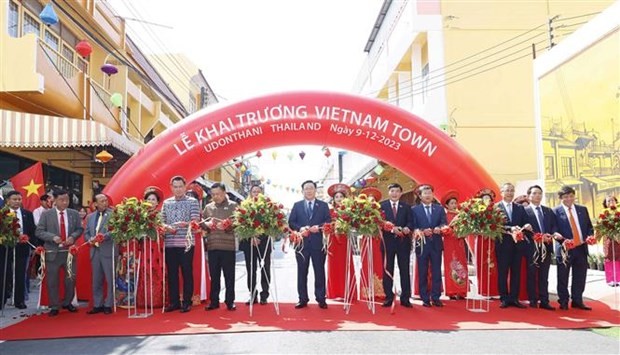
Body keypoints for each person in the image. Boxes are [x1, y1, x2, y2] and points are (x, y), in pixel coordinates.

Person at [35, 189, 84, 316]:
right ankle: (54, 305)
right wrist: (52, 237)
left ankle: (68, 302)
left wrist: (73, 237)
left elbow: (79, 229)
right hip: (52, 252)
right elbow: (39, 231)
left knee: (70, 279)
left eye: (67, 200)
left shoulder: (73, 213)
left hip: (69, 252)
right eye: (62, 200)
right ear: (54, 200)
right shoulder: (47, 214)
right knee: (52, 280)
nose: (65, 202)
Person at [288, 180, 331, 309]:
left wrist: (319, 227)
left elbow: (328, 222)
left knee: (319, 272)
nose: (309, 191)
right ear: (302, 191)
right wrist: (301, 228)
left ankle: (321, 298)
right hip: (302, 245)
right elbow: (291, 222)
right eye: (306, 189)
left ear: (315, 190)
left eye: (311, 188)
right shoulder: (297, 205)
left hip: (318, 244)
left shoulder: (323, 205)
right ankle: (302, 299)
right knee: (302, 272)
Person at [161, 176, 200, 313]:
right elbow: (161, 221)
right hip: (170, 243)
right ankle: (174, 302)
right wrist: (167, 227)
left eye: (180, 186)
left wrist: (186, 224)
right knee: (172, 273)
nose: (178, 189)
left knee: (186, 272)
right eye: (175, 187)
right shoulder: (166, 203)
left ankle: (187, 302)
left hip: (186, 243)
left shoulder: (193, 202)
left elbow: (196, 222)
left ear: (185, 187)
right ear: (171, 187)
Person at [553, 185, 593, 310]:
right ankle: (563, 301)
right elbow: (553, 229)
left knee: (580, 275)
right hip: (565, 249)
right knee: (563, 276)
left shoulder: (582, 209)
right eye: (565, 197)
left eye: (571, 196)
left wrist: (590, 236)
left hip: (581, 247)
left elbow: (589, 227)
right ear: (560, 198)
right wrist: (557, 236)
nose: (569, 199)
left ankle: (577, 300)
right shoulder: (555, 211)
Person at [203, 183, 238, 311]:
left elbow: (238, 223)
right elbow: (202, 223)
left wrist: (227, 226)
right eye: (213, 194)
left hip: (228, 247)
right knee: (214, 276)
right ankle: (214, 301)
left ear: (224, 192)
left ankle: (230, 301)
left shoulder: (233, 206)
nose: (216, 197)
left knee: (229, 275)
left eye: (218, 194)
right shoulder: (208, 207)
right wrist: (207, 224)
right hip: (212, 246)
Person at [411, 185, 447, 307]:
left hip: (436, 244)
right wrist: (421, 231)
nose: (428, 195)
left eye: (430, 193)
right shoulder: (414, 210)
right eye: (425, 193)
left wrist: (439, 228)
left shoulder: (440, 209)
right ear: (420, 196)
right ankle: (425, 297)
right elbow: (413, 226)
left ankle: (436, 297)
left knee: (437, 271)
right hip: (422, 245)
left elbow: (444, 223)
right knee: (423, 271)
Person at [523, 185, 557, 310]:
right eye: (535, 193)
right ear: (529, 196)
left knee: (544, 275)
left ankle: (544, 300)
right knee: (531, 274)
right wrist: (536, 236)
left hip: (546, 247)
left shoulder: (548, 211)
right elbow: (523, 229)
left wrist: (551, 234)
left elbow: (554, 226)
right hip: (532, 248)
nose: (538, 196)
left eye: (540, 193)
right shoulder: (524, 210)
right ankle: (532, 299)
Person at [495, 182, 529, 309]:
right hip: (503, 245)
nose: (509, 193)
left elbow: (526, 222)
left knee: (516, 272)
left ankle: (514, 298)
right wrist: (510, 228)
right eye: (507, 190)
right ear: (501, 192)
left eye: (511, 190)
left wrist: (525, 227)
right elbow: (494, 226)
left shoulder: (519, 208)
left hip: (517, 245)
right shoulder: (495, 208)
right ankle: (504, 298)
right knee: (503, 272)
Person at [1, 191, 36, 310]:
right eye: (14, 199)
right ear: (8, 201)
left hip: (22, 248)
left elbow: (32, 231)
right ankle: (2, 299)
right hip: (5, 248)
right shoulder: (3, 214)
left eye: (19, 199)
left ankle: (19, 300)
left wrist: (32, 245)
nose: (17, 202)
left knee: (20, 274)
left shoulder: (27, 214)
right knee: (4, 274)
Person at [380, 183, 413, 308]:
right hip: (387, 243)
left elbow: (411, 222)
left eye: (397, 191)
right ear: (388, 192)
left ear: (401, 193)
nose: (394, 193)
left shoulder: (407, 207)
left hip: (403, 243)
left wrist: (407, 228)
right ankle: (388, 297)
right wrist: (391, 229)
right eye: (392, 191)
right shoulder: (382, 207)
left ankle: (405, 298)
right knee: (388, 269)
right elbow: (380, 223)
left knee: (404, 270)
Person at [239, 185, 273, 305]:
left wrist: (259, 237)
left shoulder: (268, 207)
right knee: (251, 270)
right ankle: (253, 294)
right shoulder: (244, 206)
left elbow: (271, 225)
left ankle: (264, 294)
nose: (256, 194)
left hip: (264, 243)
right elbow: (241, 224)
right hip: (249, 244)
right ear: (250, 193)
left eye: (258, 192)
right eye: (254, 191)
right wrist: (251, 236)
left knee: (265, 269)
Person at [83, 194, 115, 315]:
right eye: (102, 201)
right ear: (95, 204)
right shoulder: (90, 217)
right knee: (96, 280)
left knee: (110, 278)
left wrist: (102, 237)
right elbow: (86, 232)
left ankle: (108, 304)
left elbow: (115, 231)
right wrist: (90, 239)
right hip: (94, 251)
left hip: (107, 250)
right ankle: (98, 304)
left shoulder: (113, 214)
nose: (105, 203)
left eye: (106, 200)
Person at [135, 186, 166, 308]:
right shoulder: (140, 216)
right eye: (149, 199)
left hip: (158, 246)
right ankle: (146, 299)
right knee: (145, 269)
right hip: (145, 246)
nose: (151, 202)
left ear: (158, 202)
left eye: (153, 199)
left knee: (158, 269)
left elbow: (164, 229)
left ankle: (159, 299)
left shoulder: (161, 215)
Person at [467, 188, 499, 297]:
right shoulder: (477, 210)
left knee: (493, 264)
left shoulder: (495, 210)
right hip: (481, 239)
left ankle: (494, 290)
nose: (486, 200)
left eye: (488, 198)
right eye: (484, 198)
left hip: (492, 239)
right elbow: (472, 225)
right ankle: (483, 289)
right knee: (482, 263)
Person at [325, 183, 355, 301]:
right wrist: (331, 226)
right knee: (334, 265)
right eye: (336, 197)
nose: (339, 199)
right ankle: (334, 292)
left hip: (345, 239)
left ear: (344, 198)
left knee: (346, 264)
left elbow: (354, 224)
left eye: (341, 197)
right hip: (333, 240)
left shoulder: (349, 211)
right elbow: (325, 223)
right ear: (333, 199)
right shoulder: (329, 211)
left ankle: (347, 292)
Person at [359, 187, 385, 301]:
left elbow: (383, 225)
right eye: (369, 200)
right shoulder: (360, 213)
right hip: (365, 240)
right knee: (366, 262)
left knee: (378, 262)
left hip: (377, 240)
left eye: (373, 200)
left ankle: (379, 289)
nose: (371, 202)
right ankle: (366, 290)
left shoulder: (380, 213)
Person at [441, 190, 468, 300]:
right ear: (446, 205)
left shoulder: (461, 215)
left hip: (459, 242)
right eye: (451, 203)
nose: (453, 205)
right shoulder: (444, 215)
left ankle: (461, 290)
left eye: (455, 203)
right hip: (449, 242)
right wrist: (450, 229)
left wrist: (463, 232)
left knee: (461, 264)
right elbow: (443, 229)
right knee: (451, 264)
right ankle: (452, 291)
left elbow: (466, 228)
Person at [75, 206, 92, 303]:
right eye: (80, 211)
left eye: (83, 211)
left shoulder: (89, 220)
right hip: (77, 249)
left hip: (86, 248)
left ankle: (86, 293)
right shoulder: (75, 221)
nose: (81, 213)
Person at [602, 195, 619, 286]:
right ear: (605, 203)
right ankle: (611, 279)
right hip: (608, 238)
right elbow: (600, 228)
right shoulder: (604, 214)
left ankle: (618, 278)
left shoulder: (618, 212)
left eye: (612, 200)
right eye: (608, 201)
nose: (611, 202)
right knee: (609, 257)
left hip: (618, 239)